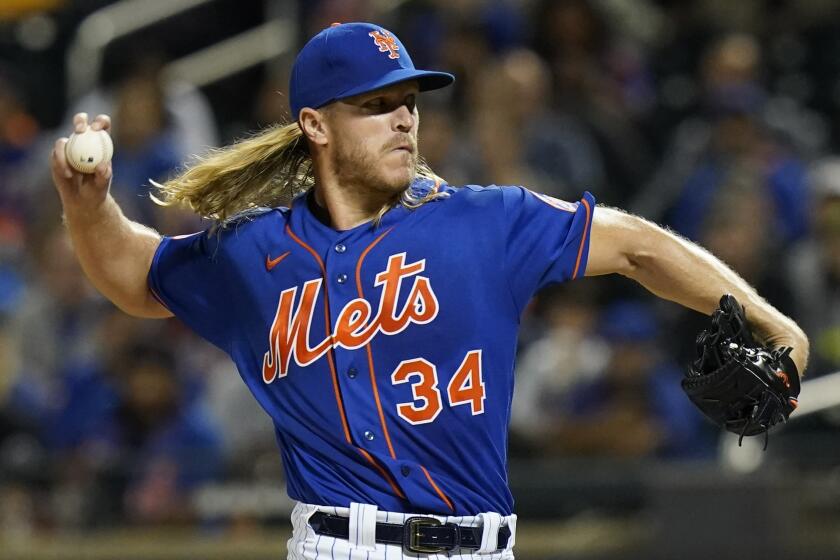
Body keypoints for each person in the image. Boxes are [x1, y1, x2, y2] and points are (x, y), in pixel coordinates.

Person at [50, 22, 808, 560]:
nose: (404, 118)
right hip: (337, 545)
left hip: (484, 546)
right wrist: (90, 207)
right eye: (376, 105)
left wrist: (776, 327)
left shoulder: (487, 222)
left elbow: (639, 246)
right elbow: (136, 275)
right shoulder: (255, 253)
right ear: (315, 124)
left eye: (409, 100)